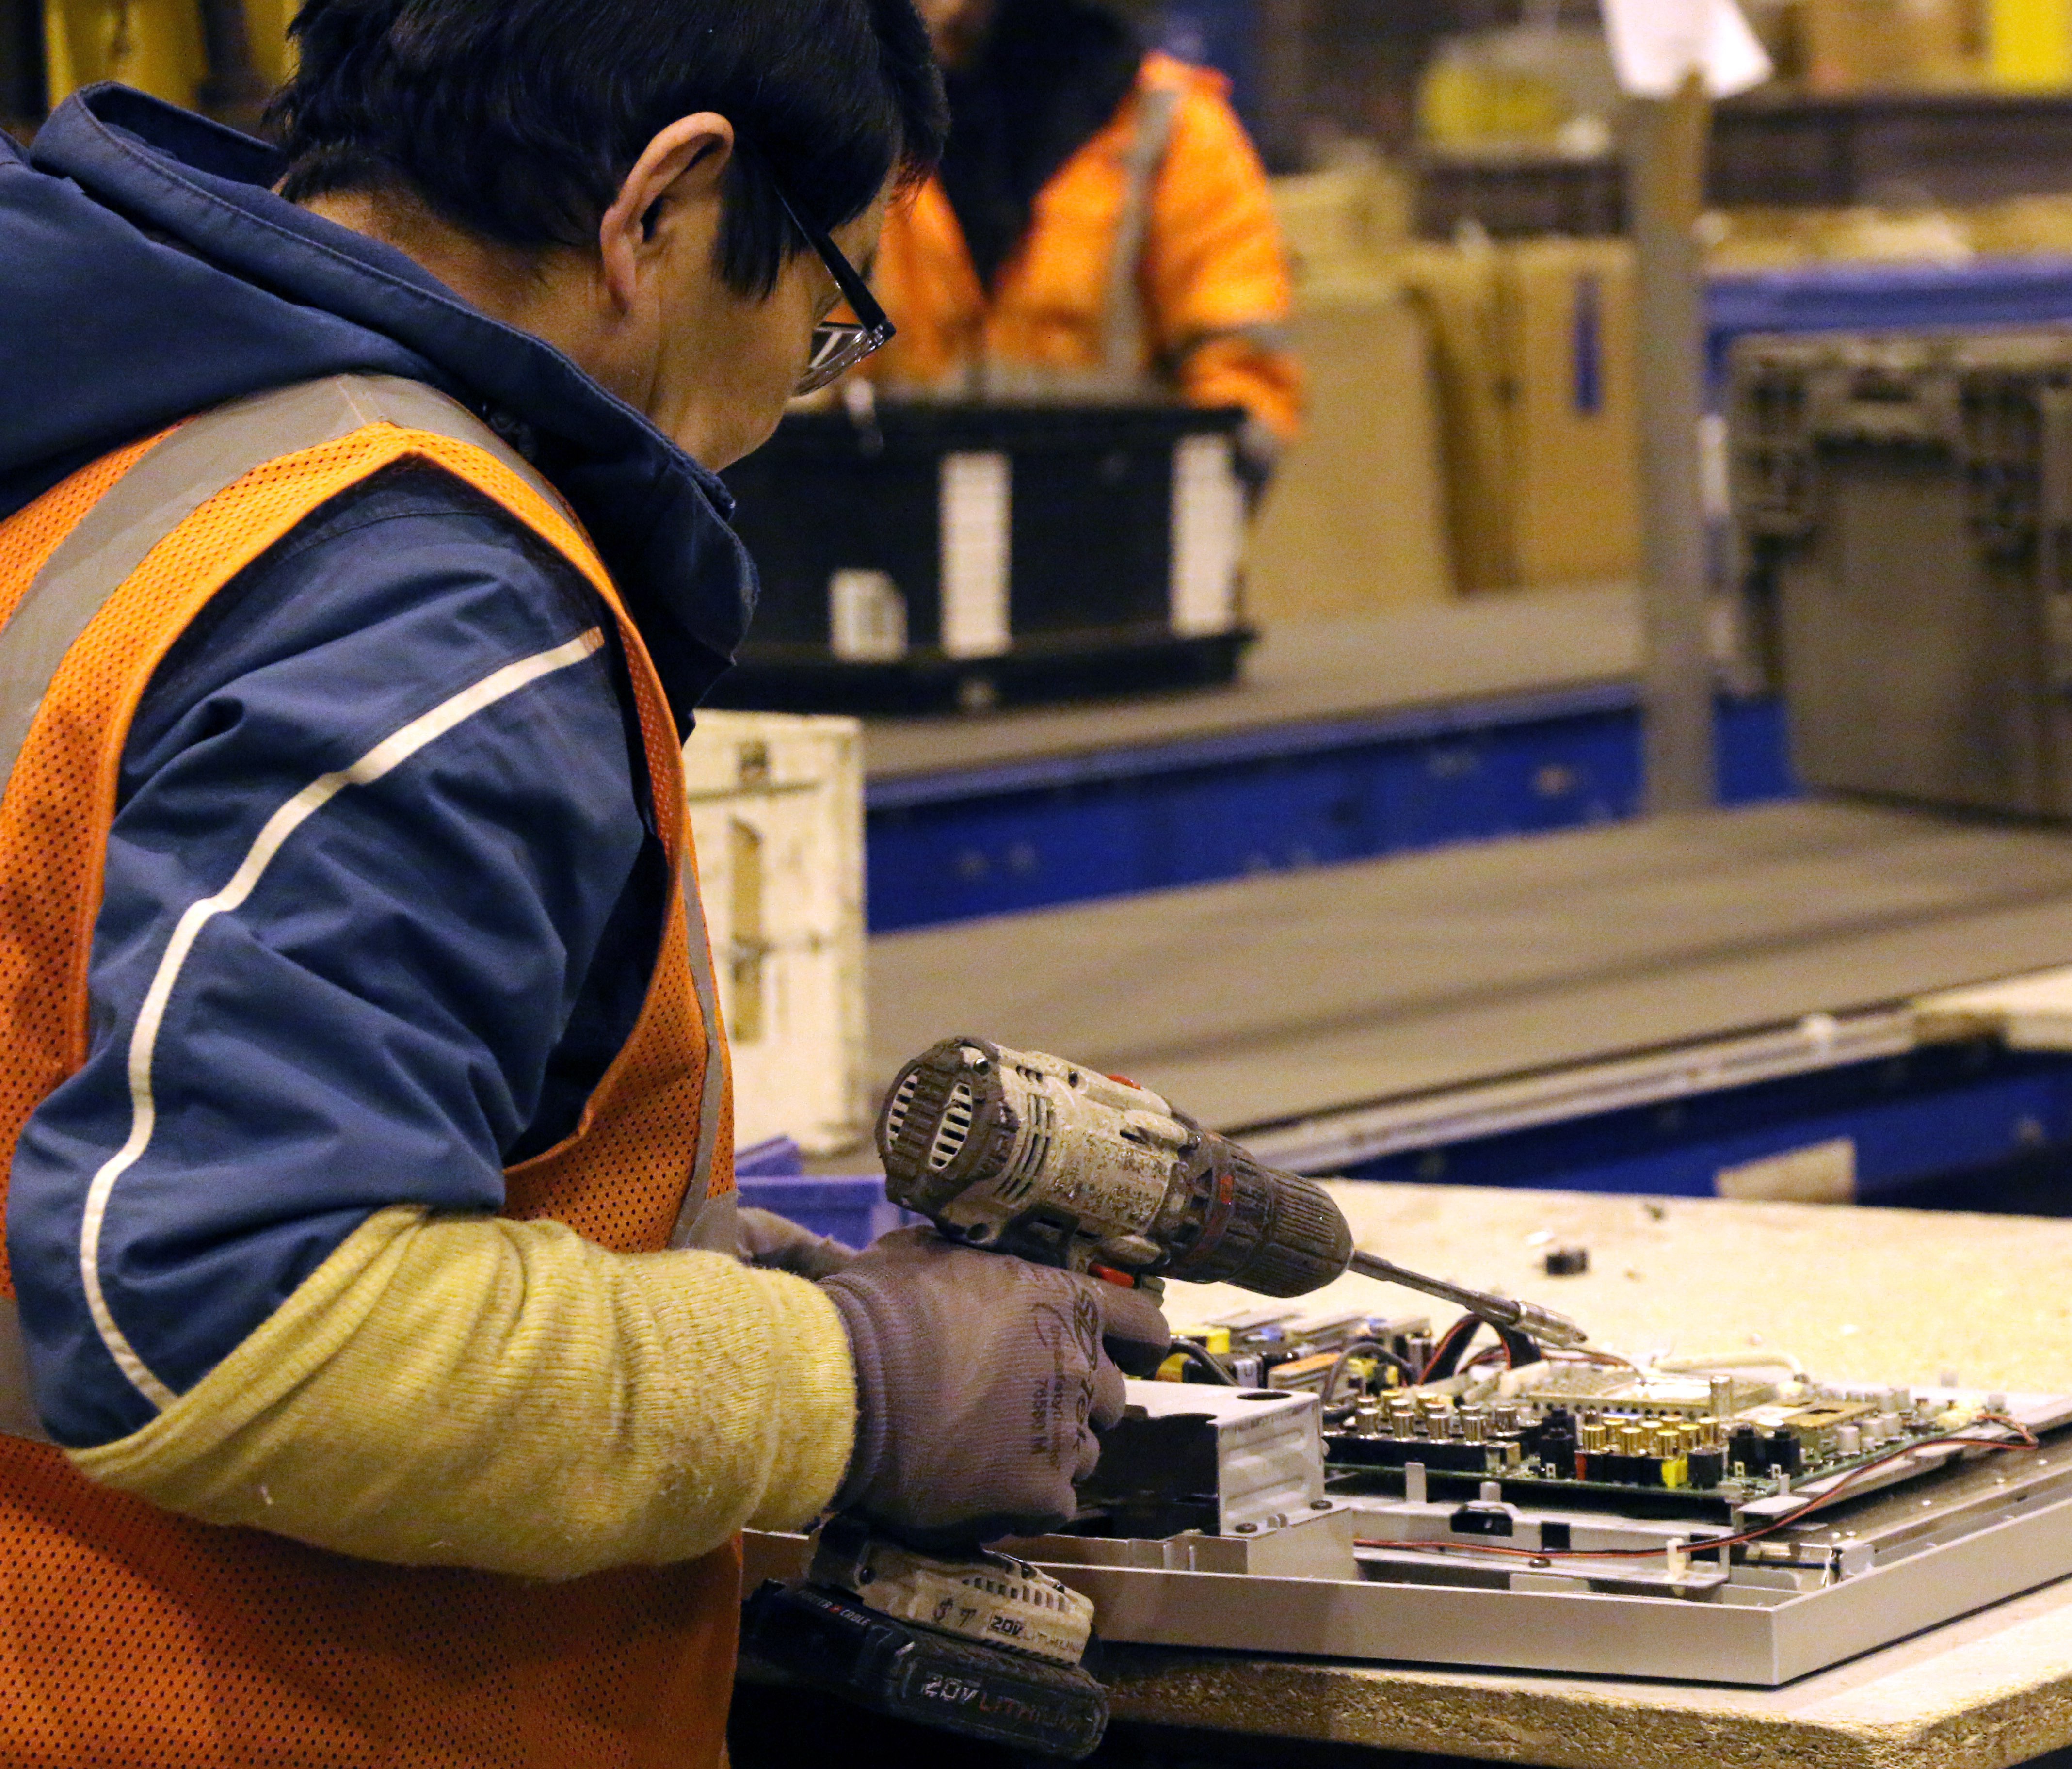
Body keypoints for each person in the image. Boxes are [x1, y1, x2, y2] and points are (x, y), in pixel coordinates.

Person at [0, 1, 1167, 1762]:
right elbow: (236, 1323)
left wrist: (638, 1265)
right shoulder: (425, 601)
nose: (788, 395)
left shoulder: (124, 439)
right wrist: (850, 1386)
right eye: (825, 314)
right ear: (668, 209)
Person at [867, 0, 1301, 485]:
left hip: (1113, 544)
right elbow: (812, 376)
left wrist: (1153, 519)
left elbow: (1246, 394)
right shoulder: (878, 131)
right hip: (904, 543)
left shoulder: (1174, 132)